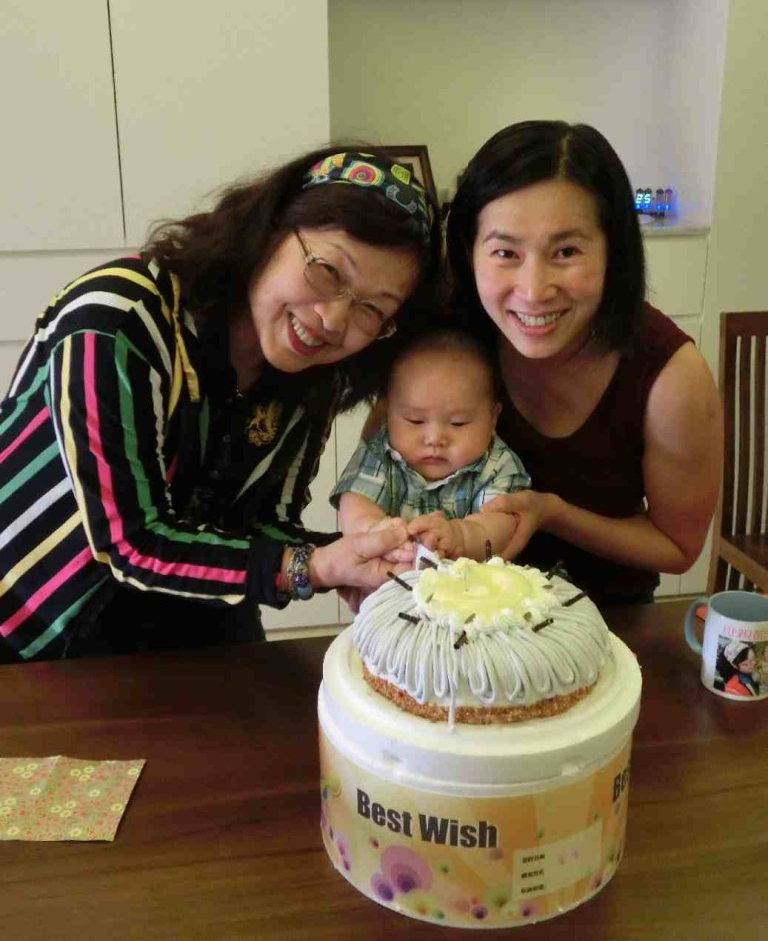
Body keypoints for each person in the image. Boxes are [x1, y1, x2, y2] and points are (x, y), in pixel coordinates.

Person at [0, 148, 443, 661]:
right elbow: (131, 543)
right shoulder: (120, 317)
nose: (333, 319)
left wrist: (365, 553)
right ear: (270, 230)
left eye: (372, 308)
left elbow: (267, 520)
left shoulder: (311, 375)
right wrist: (315, 566)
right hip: (34, 632)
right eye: (327, 270)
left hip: (189, 616)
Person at [445, 120, 723, 606]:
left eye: (566, 251)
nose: (534, 290)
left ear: (613, 251)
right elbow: (382, 468)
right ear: (470, 252)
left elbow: (677, 548)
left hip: (611, 625)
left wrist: (554, 514)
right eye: (505, 252)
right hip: (456, 618)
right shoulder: (446, 342)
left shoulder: (670, 377)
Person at [331, 329, 530, 567]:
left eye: (458, 423)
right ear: (388, 413)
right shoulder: (380, 453)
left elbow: (503, 525)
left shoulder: (498, 464)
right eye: (415, 421)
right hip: (390, 581)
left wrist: (460, 534)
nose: (434, 439)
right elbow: (356, 500)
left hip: (474, 586)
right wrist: (376, 531)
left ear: (493, 417)